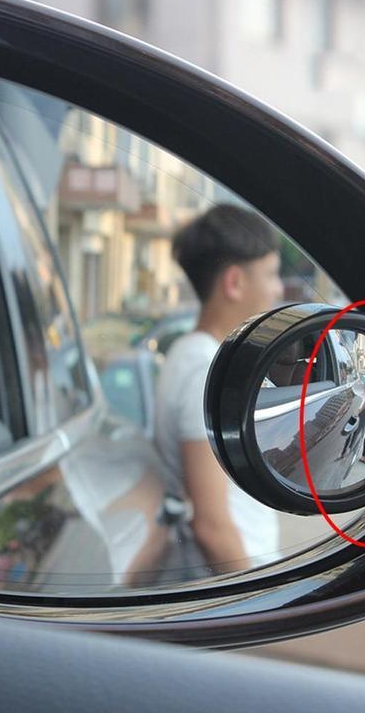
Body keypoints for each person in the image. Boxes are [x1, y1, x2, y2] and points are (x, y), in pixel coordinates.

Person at [154, 204, 283, 574]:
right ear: (234, 283)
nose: (278, 289)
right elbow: (211, 527)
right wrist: (256, 596)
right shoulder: (204, 369)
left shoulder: (201, 356)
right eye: (271, 274)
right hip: (242, 582)